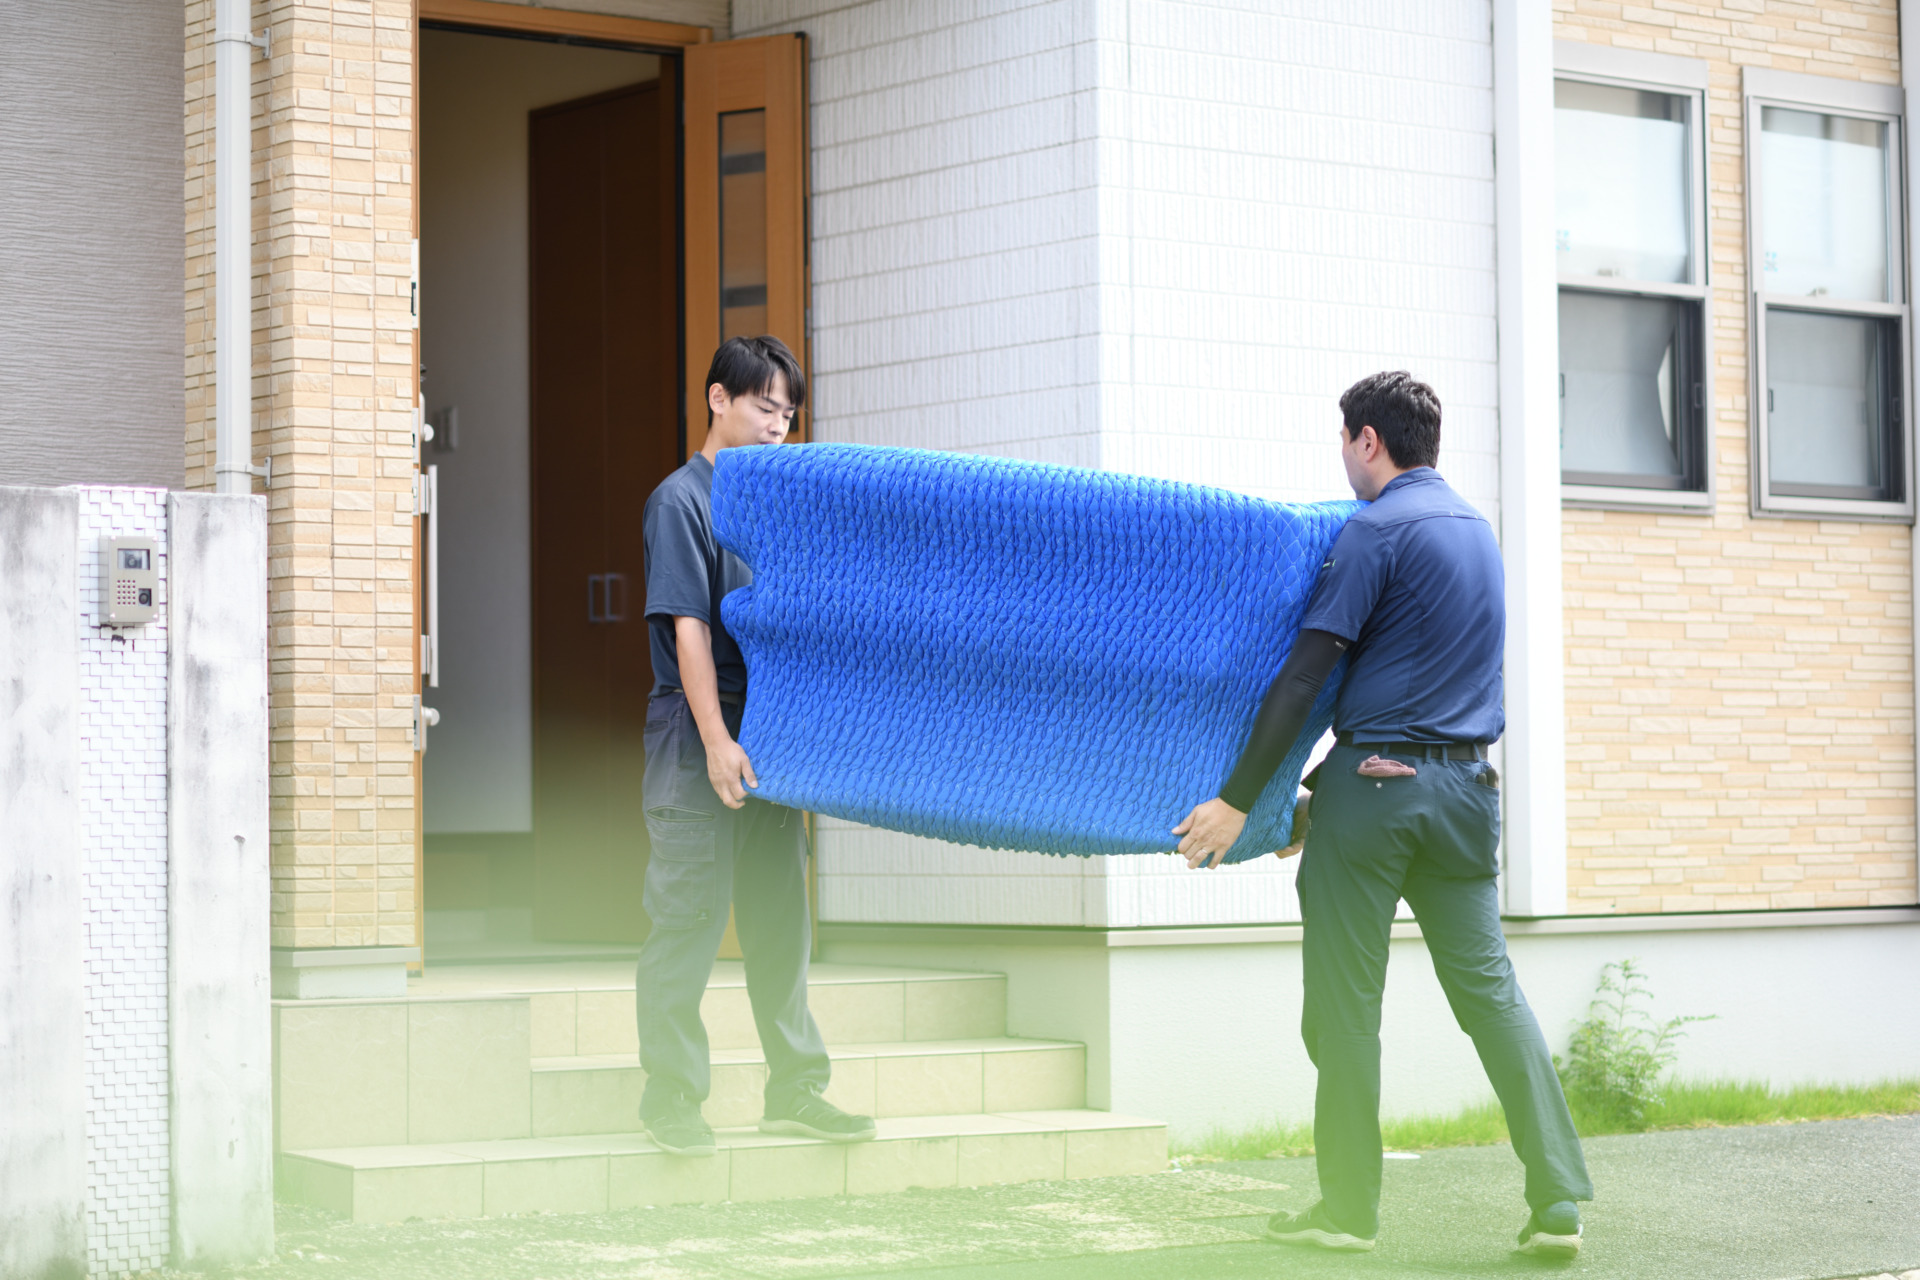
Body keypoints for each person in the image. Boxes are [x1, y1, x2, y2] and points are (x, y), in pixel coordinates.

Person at [1172, 371, 1592, 1259]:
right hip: (1467, 794)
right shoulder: (1476, 531)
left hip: (1375, 798)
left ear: (1369, 440)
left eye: (1344, 440)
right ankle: (1559, 1197)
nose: (1343, 458)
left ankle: (1348, 1212)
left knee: (1343, 1008)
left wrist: (1239, 800)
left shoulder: (1373, 531)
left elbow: (1304, 677)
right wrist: (1314, 792)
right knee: (1491, 995)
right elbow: (1416, 677)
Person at [635, 335, 876, 1156]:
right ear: (718, 399)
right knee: (688, 918)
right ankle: (672, 1099)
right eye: (764, 406)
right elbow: (690, 630)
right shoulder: (681, 501)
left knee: (780, 922)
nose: (778, 425)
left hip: (771, 736)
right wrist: (715, 741)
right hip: (696, 732)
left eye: (788, 414)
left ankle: (796, 1092)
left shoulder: (777, 506)